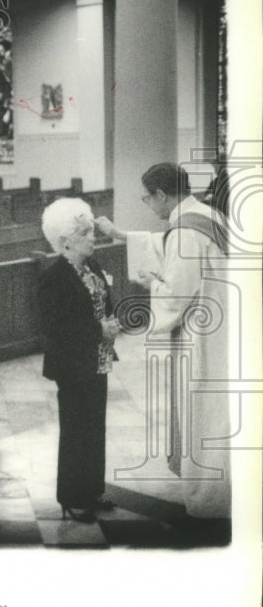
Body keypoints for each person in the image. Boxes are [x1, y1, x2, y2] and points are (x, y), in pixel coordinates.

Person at [96, 162, 231, 520]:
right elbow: (164, 243)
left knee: (202, 410)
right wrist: (124, 235)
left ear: (161, 194)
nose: (149, 206)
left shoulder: (187, 229)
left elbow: (175, 294)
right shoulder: (207, 214)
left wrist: (150, 283)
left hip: (202, 334)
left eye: (147, 198)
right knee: (218, 410)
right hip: (222, 326)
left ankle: (209, 498)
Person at [39, 198, 121, 522]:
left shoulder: (92, 265)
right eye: (85, 233)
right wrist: (97, 328)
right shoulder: (53, 277)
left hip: (97, 358)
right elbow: (53, 328)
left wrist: (111, 322)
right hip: (72, 363)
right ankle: (71, 496)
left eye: (90, 231)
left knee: (95, 425)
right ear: (65, 241)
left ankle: (92, 490)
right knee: (75, 428)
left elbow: (103, 299)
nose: (92, 237)